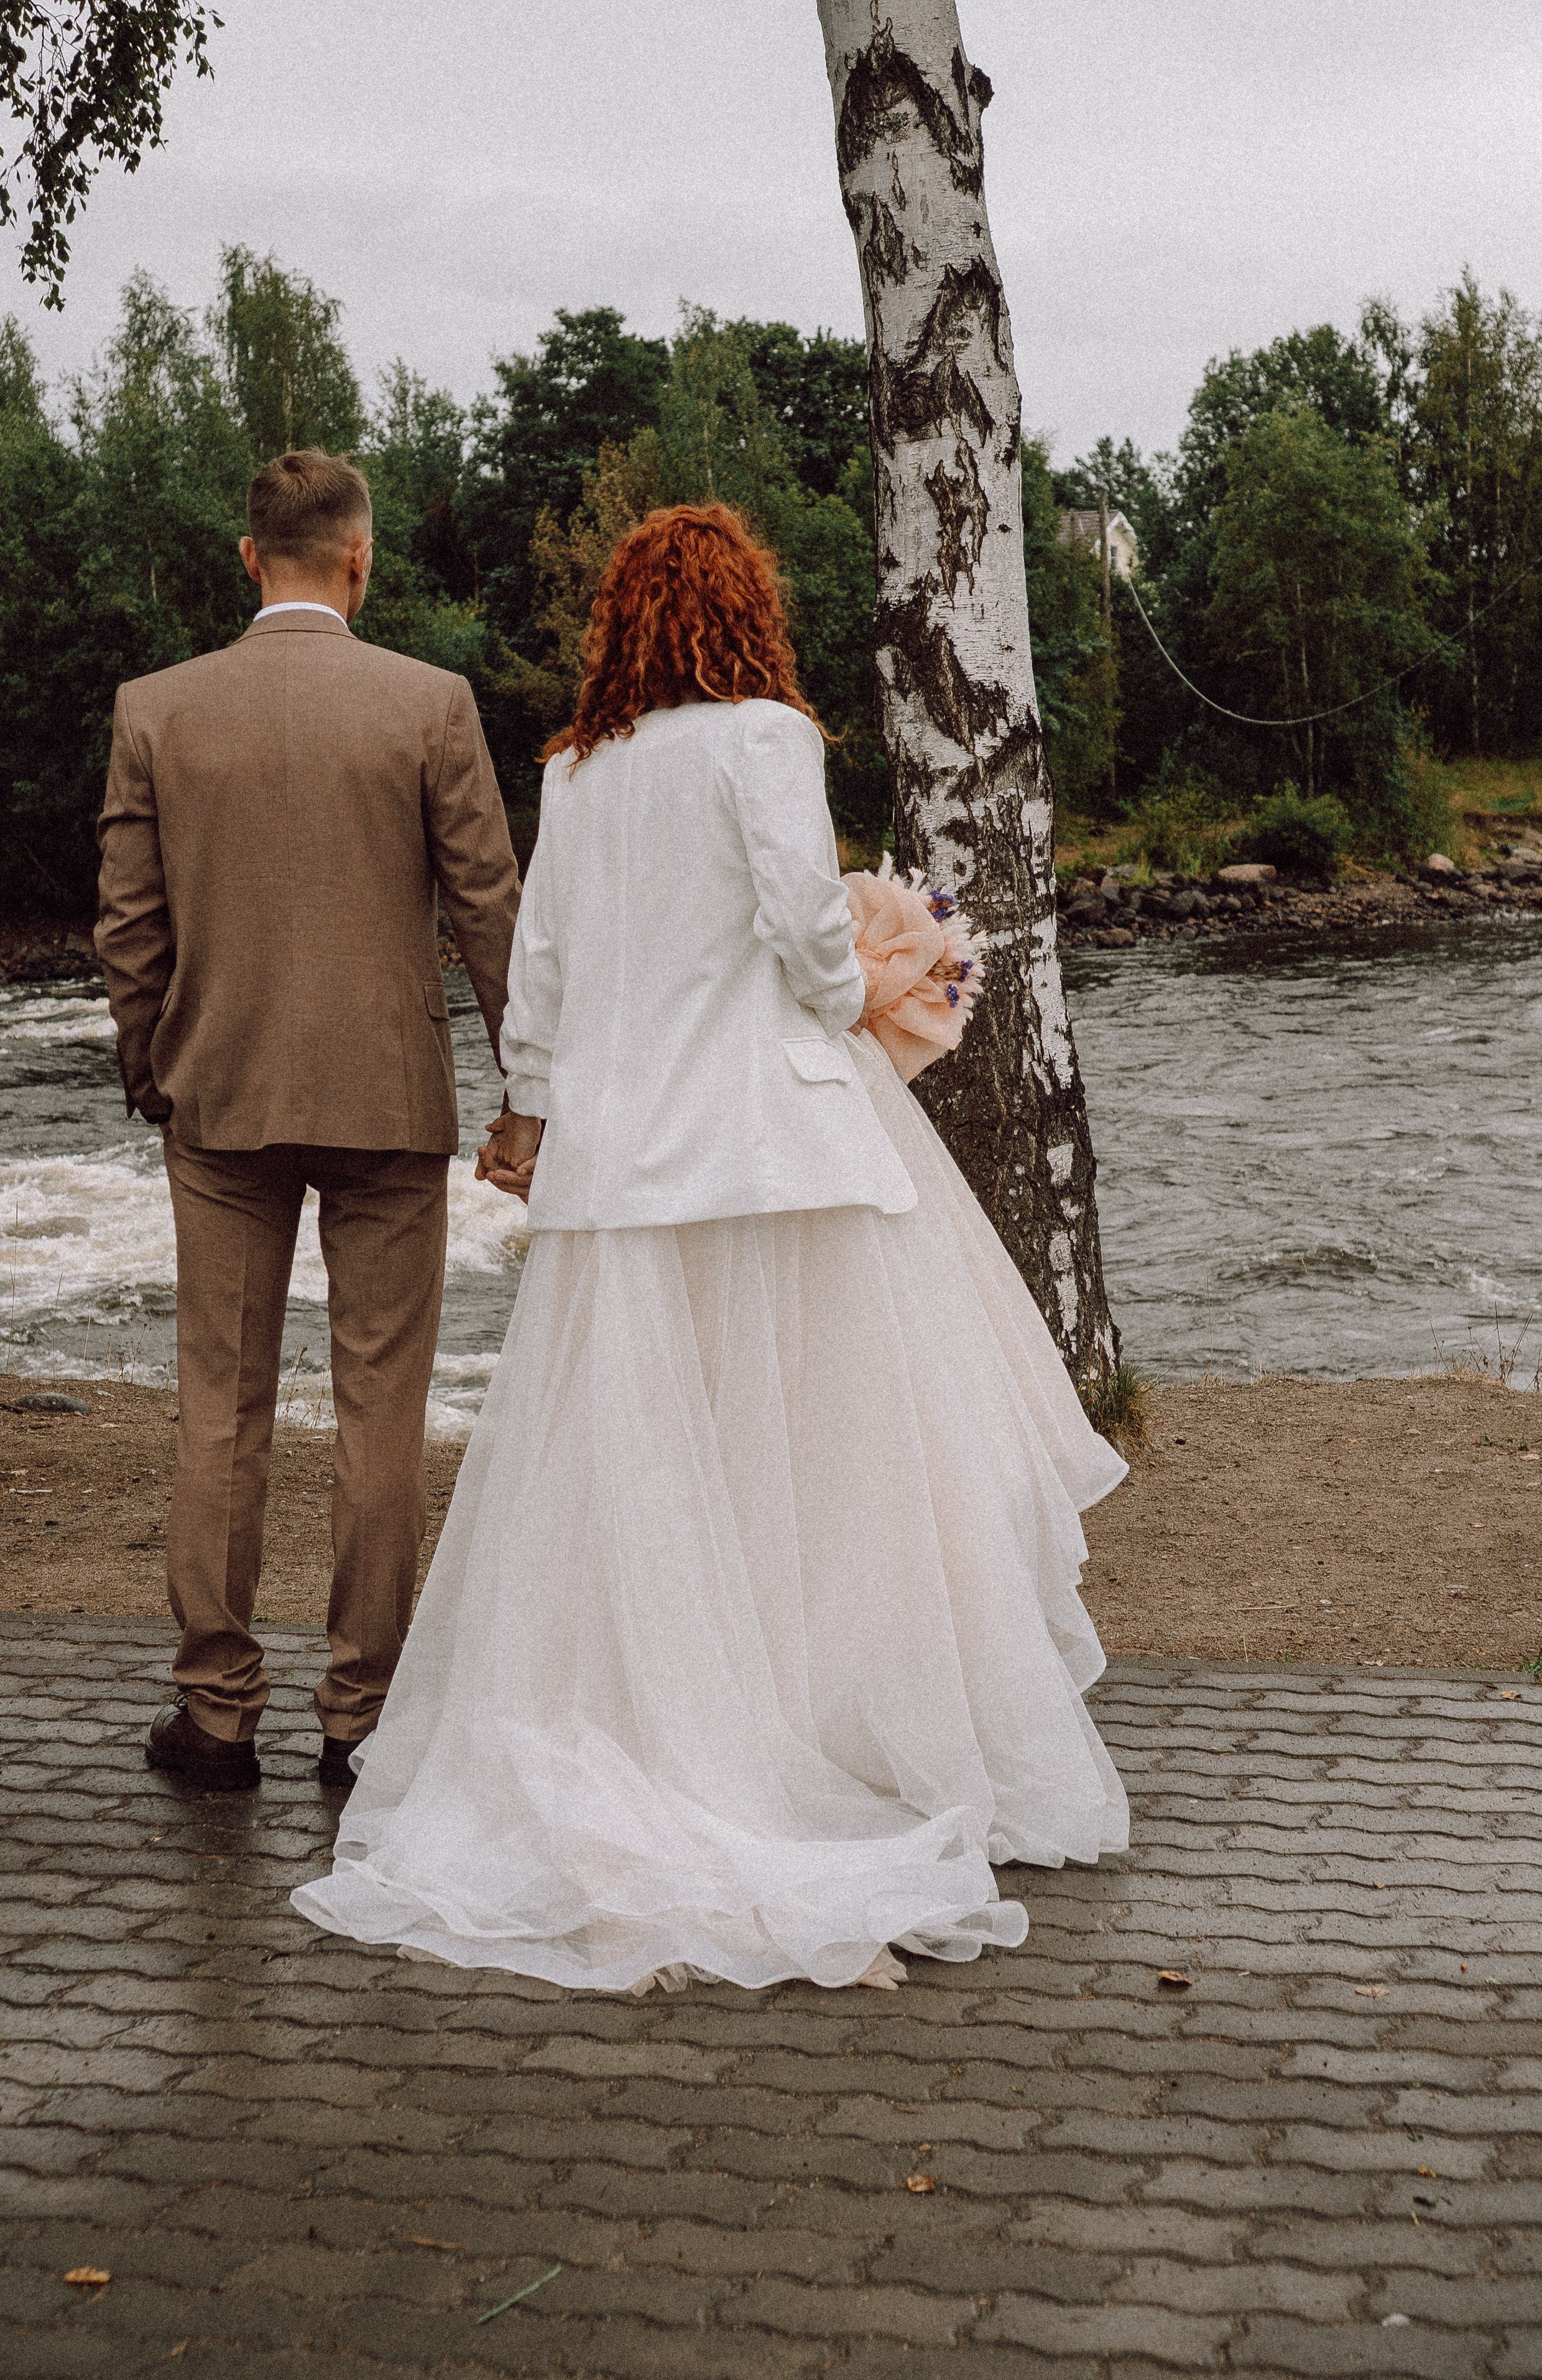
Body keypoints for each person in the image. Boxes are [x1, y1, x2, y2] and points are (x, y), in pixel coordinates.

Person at [292, 503, 1127, 1991]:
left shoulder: (573, 771)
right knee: (813, 1463)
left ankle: (659, 1719)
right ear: (744, 615)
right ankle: (810, 1731)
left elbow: (536, 977)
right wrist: (868, 974)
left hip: (619, 1172)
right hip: (768, 1153)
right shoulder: (762, 740)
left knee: (639, 1468)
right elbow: (805, 945)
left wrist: (533, 1114)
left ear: (622, 623)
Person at [95, 448, 520, 1794]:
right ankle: (363, 1716)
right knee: (379, 1411)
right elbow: (492, 914)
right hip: (390, 1101)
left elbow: (128, 925)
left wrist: (150, 1056)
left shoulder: (157, 711)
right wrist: (532, 1091)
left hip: (218, 1099)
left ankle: (217, 1718)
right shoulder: (429, 705)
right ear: (358, 559)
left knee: (217, 1405)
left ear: (245, 557)